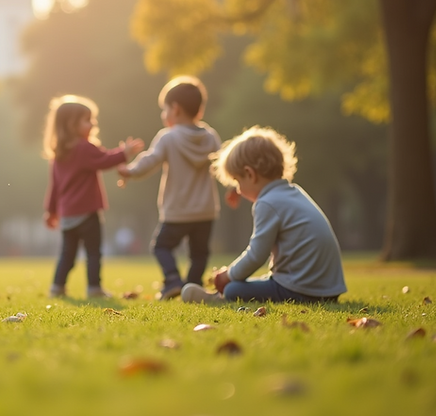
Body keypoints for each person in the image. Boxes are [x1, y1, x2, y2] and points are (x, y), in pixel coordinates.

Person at [181, 126, 346, 305]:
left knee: (233, 289)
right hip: (329, 291)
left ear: (250, 174)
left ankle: (217, 298)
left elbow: (256, 255)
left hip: (301, 290)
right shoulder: (294, 193)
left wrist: (228, 276)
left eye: (237, 181)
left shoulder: (267, 203)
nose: (238, 189)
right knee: (253, 283)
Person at [118, 76, 222, 300]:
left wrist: (129, 171)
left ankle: (173, 280)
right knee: (200, 254)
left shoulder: (169, 137)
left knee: (161, 247)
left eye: (164, 109)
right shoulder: (211, 137)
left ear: (175, 109)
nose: (163, 114)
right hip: (205, 210)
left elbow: (150, 161)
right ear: (199, 110)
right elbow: (224, 166)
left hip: (177, 210)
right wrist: (235, 187)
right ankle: (191, 288)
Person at [43, 95, 144, 298]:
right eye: (87, 120)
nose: (93, 124)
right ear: (72, 125)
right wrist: (124, 153)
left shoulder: (59, 155)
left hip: (68, 215)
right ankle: (94, 288)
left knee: (67, 255)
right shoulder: (83, 148)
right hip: (88, 212)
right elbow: (105, 160)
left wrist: (51, 211)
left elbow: (55, 187)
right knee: (93, 252)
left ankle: (57, 286)